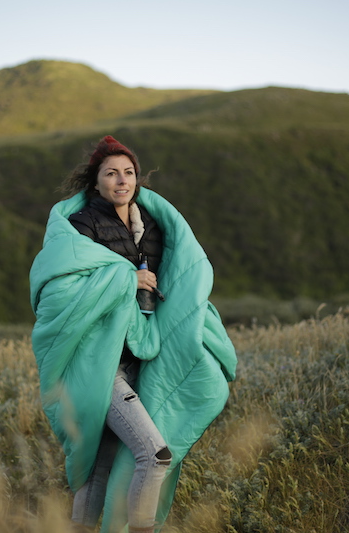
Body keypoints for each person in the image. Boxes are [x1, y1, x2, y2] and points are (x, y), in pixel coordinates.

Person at [29, 135, 237, 533]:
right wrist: (128, 279)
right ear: (96, 183)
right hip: (98, 363)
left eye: (128, 173)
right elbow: (64, 289)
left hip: (138, 359)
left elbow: (176, 274)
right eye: (111, 173)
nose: (121, 180)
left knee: (102, 462)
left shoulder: (152, 226)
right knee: (154, 454)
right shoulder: (81, 225)